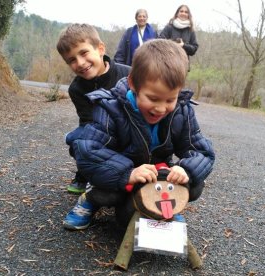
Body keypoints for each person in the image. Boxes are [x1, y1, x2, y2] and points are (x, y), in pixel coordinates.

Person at [63, 39, 215, 230]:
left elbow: (202, 151)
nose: (161, 108)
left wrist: (186, 170)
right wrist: (128, 173)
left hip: (155, 174)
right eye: (152, 98)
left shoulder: (181, 110)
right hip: (121, 174)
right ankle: (90, 200)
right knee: (111, 198)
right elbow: (88, 150)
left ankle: (164, 211)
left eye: (170, 99)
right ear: (133, 83)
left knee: (194, 185)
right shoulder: (110, 108)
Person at [56, 23, 130, 194]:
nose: (80, 63)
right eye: (72, 60)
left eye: (84, 53)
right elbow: (88, 124)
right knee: (78, 141)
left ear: (100, 49)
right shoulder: (76, 89)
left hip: (132, 133)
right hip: (102, 134)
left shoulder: (129, 75)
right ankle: (86, 174)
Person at [158, 4, 198, 71]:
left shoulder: (191, 30)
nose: (183, 13)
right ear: (177, 13)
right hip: (167, 65)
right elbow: (159, 41)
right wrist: (172, 44)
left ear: (188, 15)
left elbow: (194, 49)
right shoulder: (169, 27)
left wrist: (183, 45)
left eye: (186, 12)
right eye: (181, 11)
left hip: (183, 67)